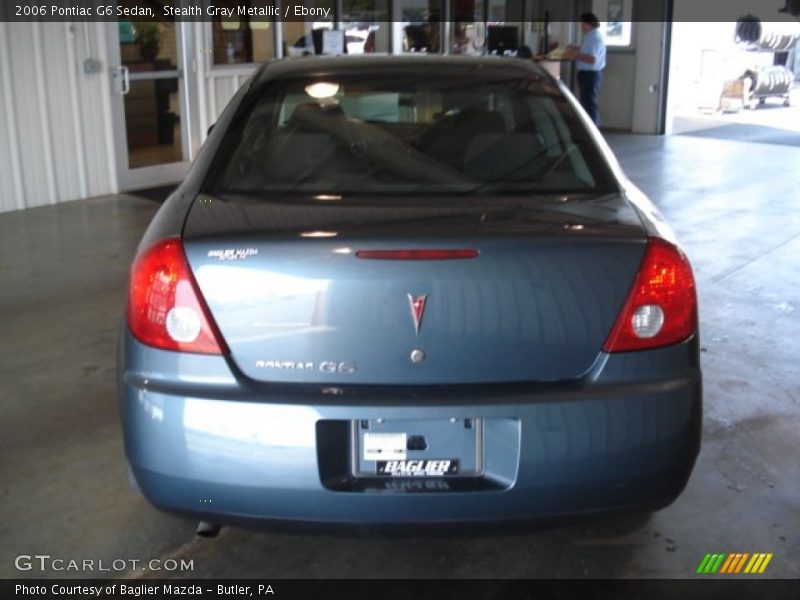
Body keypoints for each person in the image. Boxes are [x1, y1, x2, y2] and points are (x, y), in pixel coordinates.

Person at [564, 13, 606, 124]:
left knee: (589, 104)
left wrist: (573, 54)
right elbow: (588, 50)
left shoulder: (594, 37)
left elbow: (592, 59)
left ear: (589, 24)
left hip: (589, 75)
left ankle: (592, 130)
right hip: (588, 75)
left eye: (583, 24)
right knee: (586, 102)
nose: (581, 26)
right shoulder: (591, 35)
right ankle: (590, 127)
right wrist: (577, 47)